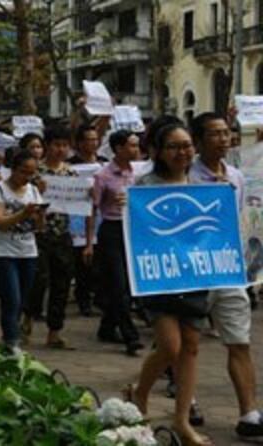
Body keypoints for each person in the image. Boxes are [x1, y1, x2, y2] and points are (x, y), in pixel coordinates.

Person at [127, 123, 211, 446]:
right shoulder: (144, 186)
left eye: (187, 145)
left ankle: (181, 421)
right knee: (170, 346)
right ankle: (140, 393)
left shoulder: (203, 185)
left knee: (191, 345)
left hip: (193, 275)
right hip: (159, 277)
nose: (183, 152)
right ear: (159, 152)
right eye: (174, 146)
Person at [188, 112, 263, 438]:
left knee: (239, 339)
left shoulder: (235, 175)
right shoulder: (184, 174)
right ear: (199, 140)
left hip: (227, 267)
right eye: (215, 133)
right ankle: (183, 397)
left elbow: (240, 217)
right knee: (181, 342)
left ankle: (249, 413)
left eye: (227, 132)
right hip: (191, 269)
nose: (224, 138)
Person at [86, 130, 143, 356]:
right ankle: (131, 337)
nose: (136, 150)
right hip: (112, 230)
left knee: (128, 285)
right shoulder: (103, 176)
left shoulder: (138, 174)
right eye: (131, 145)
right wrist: (90, 242)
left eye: (137, 145)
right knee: (118, 285)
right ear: (118, 148)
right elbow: (92, 209)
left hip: (133, 230)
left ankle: (107, 326)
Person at [0, 150, 45, 355]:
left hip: (28, 251)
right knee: (11, 298)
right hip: (3, 252)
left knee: (22, 299)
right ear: (13, 169)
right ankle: (12, 341)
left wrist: (39, 215)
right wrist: (23, 214)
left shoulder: (33, 191)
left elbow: (39, 227)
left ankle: (9, 337)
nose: (26, 177)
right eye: (23, 172)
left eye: (31, 173)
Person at [24, 126, 77, 349]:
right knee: (39, 280)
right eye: (57, 145)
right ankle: (28, 318)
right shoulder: (36, 173)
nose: (61, 150)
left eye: (65, 145)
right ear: (48, 146)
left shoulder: (72, 174)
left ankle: (54, 331)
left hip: (63, 233)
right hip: (39, 233)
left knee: (62, 282)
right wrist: (39, 192)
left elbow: (79, 202)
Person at [69, 124, 109, 316]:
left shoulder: (104, 163)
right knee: (82, 260)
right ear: (79, 143)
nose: (93, 143)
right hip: (76, 217)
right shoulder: (70, 165)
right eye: (89, 139)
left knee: (101, 261)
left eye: (95, 139)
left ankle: (99, 298)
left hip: (102, 215)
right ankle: (83, 299)